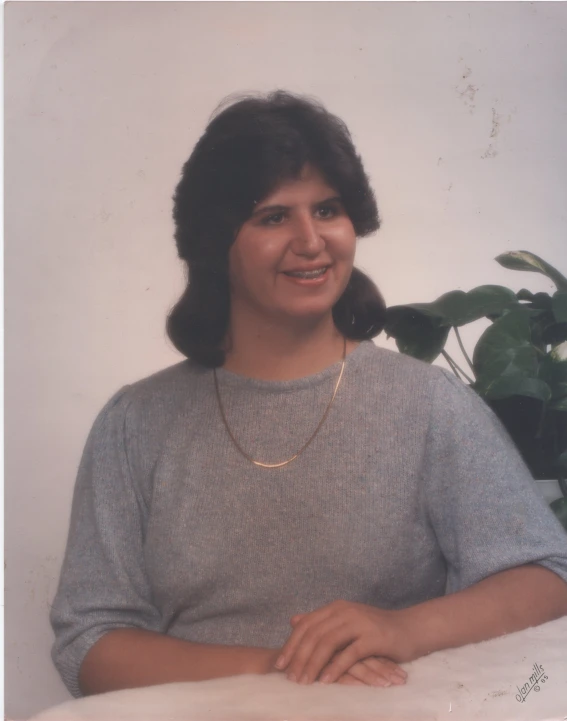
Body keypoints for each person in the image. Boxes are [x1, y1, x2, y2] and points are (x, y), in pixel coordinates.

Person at [50, 91, 567, 700]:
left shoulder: (427, 404)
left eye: (328, 210)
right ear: (217, 245)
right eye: (273, 217)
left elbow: (546, 578)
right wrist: (285, 668)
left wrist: (400, 628)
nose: (311, 239)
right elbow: (90, 640)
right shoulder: (134, 423)